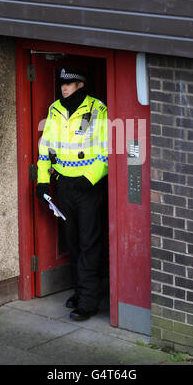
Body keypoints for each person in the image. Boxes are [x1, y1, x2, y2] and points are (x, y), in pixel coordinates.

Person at [35, 66, 108, 321]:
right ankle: (80, 292)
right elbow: (46, 148)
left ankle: (89, 301)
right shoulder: (54, 109)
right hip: (64, 186)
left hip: (88, 188)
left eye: (70, 83)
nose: (64, 87)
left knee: (89, 242)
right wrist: (43, 181)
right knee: (74, 242)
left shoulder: (97, 109)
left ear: (81, 84)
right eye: (62, 83)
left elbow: (106, 150)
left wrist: (89, 179)